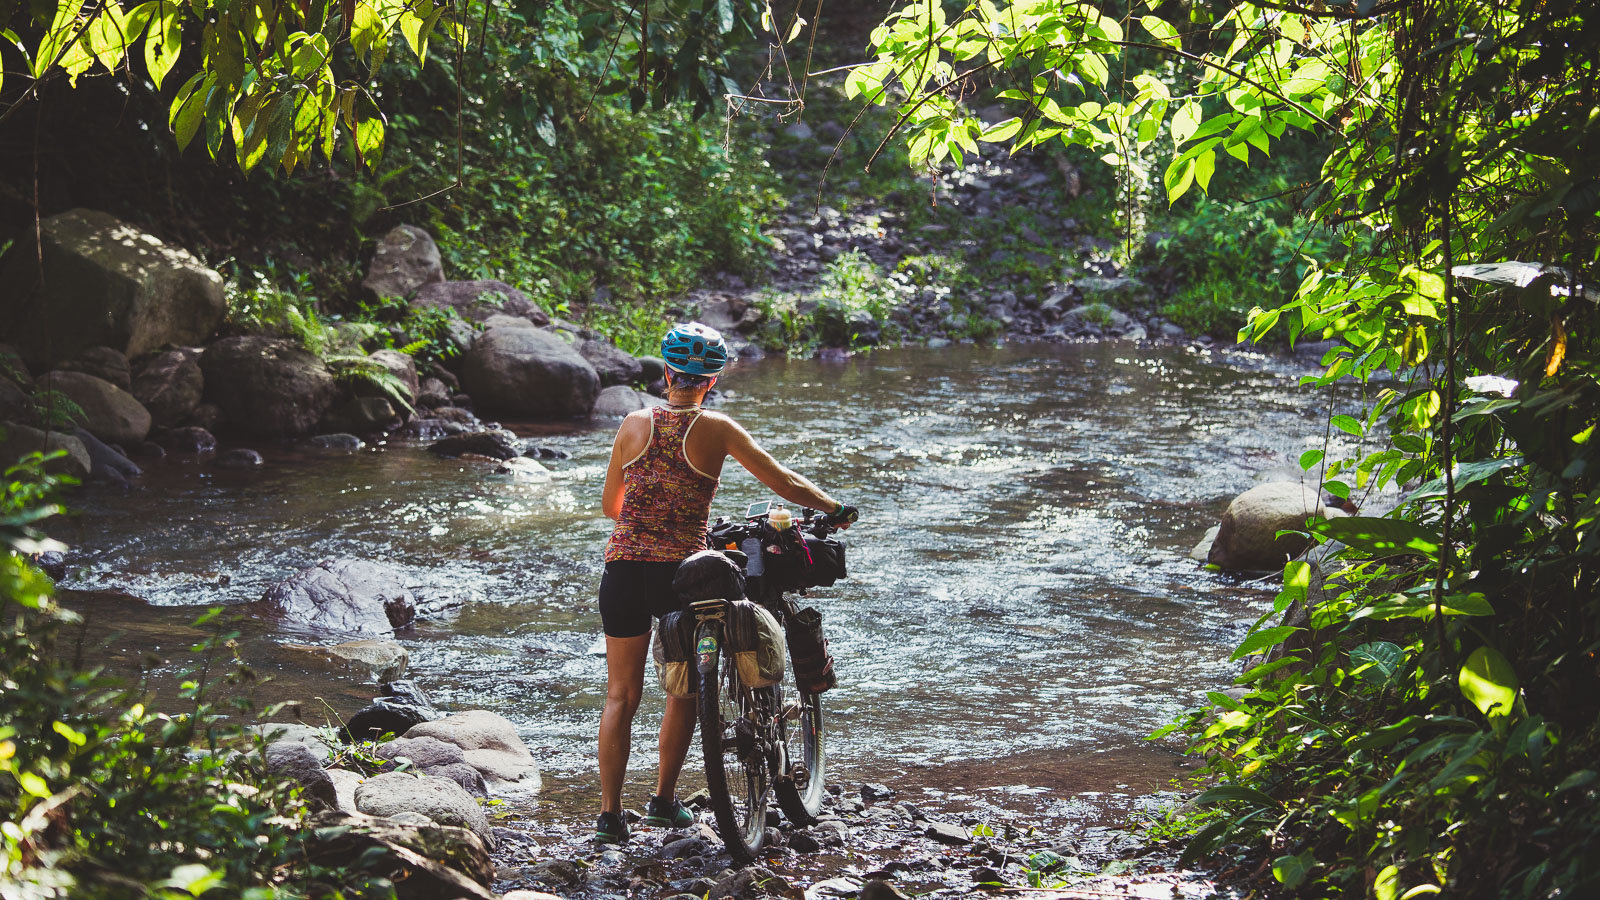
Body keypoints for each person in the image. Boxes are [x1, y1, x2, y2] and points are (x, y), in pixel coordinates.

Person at [594, 322, 857, 844]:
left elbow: (611, 508)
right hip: (680, 576)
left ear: (666, 373)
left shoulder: (632, 423)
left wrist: (649, 518)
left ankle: (608, 817)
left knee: (621, 694)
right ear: (709, 381)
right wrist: (833, 507)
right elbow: (784, 482)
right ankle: (664, 803)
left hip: (622, 569)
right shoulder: (715, 427)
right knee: (684, 692)